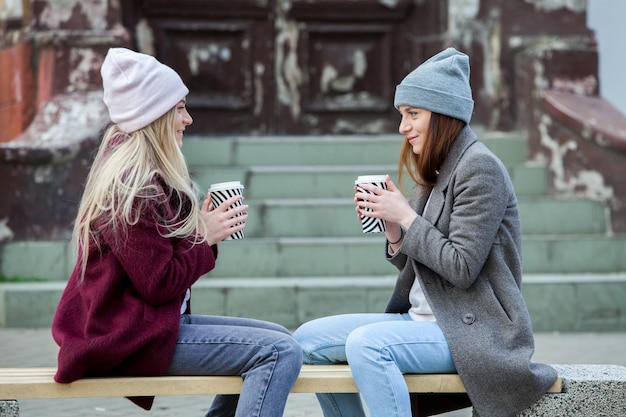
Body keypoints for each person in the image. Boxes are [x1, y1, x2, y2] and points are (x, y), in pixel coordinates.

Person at [293, 47, 558, 417]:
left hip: (475, 329)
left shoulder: (481, 169)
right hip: (425, 319)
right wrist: (394, 230)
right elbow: (423, 263)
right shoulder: (439, 167)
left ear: (444, 114)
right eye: (402, 115)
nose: (403, 127)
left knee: (367, 345)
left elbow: (461, 268)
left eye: (412, 114)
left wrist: (407, 215)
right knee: (305, 342)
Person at [52, 48, 302, 417]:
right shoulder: (131, 188)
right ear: (156, 116)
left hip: (144, 327)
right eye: (180, 108)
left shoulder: (144, 179)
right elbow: (159, 283)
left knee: (280, 337)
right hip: (124, 339)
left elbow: (153, 267)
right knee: (278, 352)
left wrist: (198, 229)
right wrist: (206, 237)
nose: (188, 119)